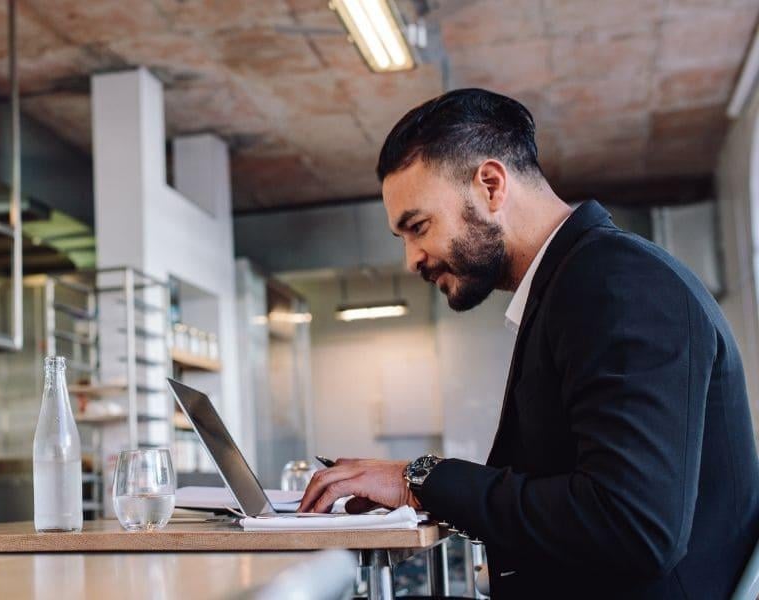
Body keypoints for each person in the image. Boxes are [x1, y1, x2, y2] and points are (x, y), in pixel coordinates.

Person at [296, 88, 759, 598]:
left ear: (491, 185)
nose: (413, 260)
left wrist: (420, 479)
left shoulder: (615, 283)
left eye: (419, 226)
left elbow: (634, 525)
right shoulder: (575, 283)